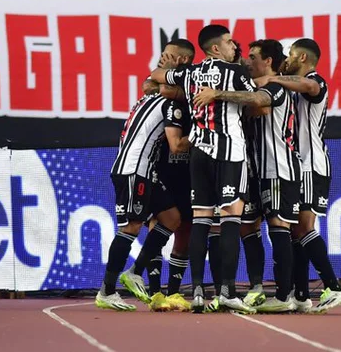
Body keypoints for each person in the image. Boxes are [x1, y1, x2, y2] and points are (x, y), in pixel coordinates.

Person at [150, 25, 256, 314]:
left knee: (201, 218)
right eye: (229, 42)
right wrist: (220, 94)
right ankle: (227, 291)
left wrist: (164, 73)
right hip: (230, 152)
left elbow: (156, 77)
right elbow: (258, 100)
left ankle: (197, 292)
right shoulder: (234, 72)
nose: (235, 46)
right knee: (232, 217)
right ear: (215, 49)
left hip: (199, 151)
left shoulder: (191, 72)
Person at [194, 39, 301, 313]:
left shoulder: (275, 87)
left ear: (267, 61)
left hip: (277, 167)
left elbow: (260, 104)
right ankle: (255, 288)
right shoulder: (254, 81)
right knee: (248, 226)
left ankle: (286, 293)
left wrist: (219, 95)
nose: (247, 62)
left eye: (253, 57)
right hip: (251, 166)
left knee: (279, 227)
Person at [95, 44, 192, 312]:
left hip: (146, 171)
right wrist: (202, 133)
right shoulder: (169, 102)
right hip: (133, 170)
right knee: (131, 227)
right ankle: (107, 290)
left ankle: (135, 270)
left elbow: (153, 83)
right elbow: (176, 146)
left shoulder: (149, 95)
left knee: (172, 218)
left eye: (167, 60)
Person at [256, 38, 341, 313]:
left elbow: (312, 87)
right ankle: (301, 294)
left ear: (303, 58)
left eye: (292, 55)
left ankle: (333, 287)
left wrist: (274, 78)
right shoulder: (292, 87)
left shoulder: (314, 80)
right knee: (295, 233)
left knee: (303, 228)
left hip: (311, 165)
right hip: (299, 165)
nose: (288, 59)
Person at [141, 39, 196, 312]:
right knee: (158, 222)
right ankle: (154, 292)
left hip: (189, 171)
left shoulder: (196, 79)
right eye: (161, 55)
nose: (161, 61)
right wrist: (169, 90)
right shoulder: (160, 82)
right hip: (160, 167)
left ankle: (174, 292)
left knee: (185, 228)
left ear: (183, 61)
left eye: (167, 56)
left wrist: (177, 93)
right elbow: (149, 86)